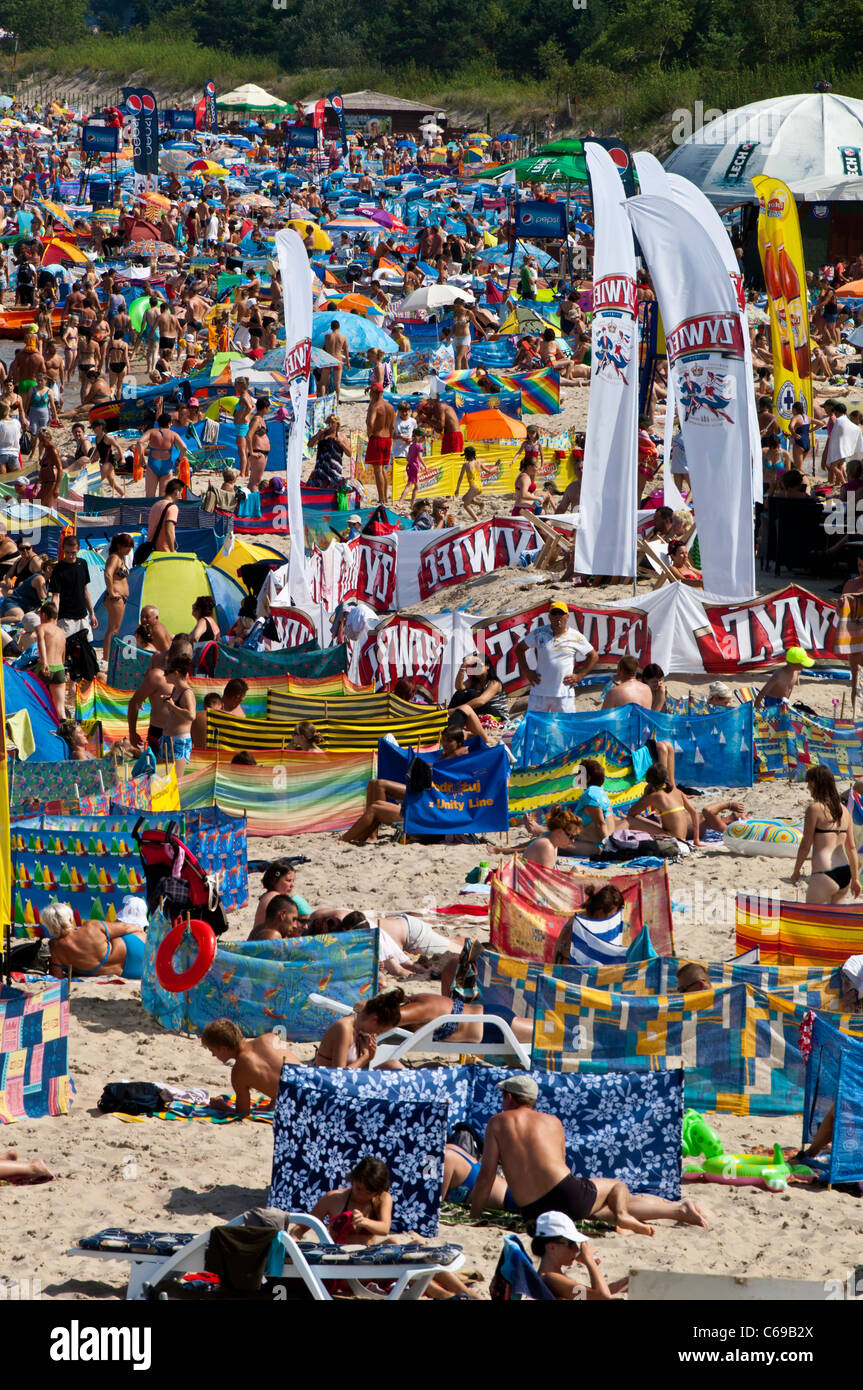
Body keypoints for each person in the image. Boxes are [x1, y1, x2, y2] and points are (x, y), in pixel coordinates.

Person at [470, 1075, 711, 1231]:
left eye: (503, 1097)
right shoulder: (553, 1121)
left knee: (603, 1209)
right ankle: (651, 1212)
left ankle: (671, 1211)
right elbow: (560, 1163)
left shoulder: (498, 1122)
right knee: (616, 1187)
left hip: (533, 1212)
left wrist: (475, 1215)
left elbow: (487, 1174)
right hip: (567, 1199)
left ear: (509, 1097)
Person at [201, 1018, 301, 1117]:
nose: (213, 1055)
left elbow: (242, 1113)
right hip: (314, 1079)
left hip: (304, 1102)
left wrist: (221, 1106)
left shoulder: (239, 1072)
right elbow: (281, 1069)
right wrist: (272, 1104)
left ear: (223, 1049)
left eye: (212, 1050)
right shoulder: (269, 1037)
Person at [791, 765, 861, 904]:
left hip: (824, 872)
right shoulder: (845, 812)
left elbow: (806, 844)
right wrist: (855, 879)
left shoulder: (815, 809)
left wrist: (796, 871)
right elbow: (852, 848)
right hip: (844, 874)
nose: (808, 788)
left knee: (812, 921)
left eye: (809, 783)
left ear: (817, 783)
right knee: (834, 922)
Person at [515, 602, 598, 713]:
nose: (557, 616)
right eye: (554, 613)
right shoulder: (539, 632)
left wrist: (580, 675)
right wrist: (526, 671)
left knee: (565, 727)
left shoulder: (576, 636)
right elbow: (519, 649)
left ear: (567, 617)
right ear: (549, 617)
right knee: (536, 727)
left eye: (561, 613)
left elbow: (593, 656)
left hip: (564, 693)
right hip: (540, 692)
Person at [42, 897, 148, 981]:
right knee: (137, 935)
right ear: (70, 919)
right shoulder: (91, 926)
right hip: (138, 954)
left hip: (130, 973)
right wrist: (142, 930)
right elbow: (128, 927)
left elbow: (56, 978)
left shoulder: (55, 948)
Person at [532, 1211, 627, 1300]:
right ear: (551, 1247)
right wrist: (589, 1261)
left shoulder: (550, 1277)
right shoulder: (550, 1278)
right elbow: (603, 1297)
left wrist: (616, 1287)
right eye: (571, 1244)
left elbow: (588, 1296)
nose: (576, 1249)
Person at [315, 987, 406, 1069]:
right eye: (380, 1030)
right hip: (331, 1084)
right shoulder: (344, 1028)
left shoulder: (359, 1028)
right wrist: (366, 1057)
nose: (378, 1033)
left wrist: (368, 1057)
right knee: (394, 1066)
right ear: (374, 1020)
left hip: (349, 1081)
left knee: (394, 1065)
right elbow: (339, 1075)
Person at [553, 884, 626, 966]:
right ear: (600, 911)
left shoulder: (591, 921)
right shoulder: (580, 925)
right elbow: (567, 958)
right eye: (612, 915)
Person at [151, 651, 196, 776]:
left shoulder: (187, 693)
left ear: (176, 673)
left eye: (167, 672)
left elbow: (192, 715)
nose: (164, 675)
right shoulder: (176, 689)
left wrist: (172, 706)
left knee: (176, 783)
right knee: (161, 780)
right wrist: (169, 701)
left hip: (179, 742)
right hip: (166, 739)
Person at [49, 533, 96, 638]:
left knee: (85, 647)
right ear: (63, 549)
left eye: (73, 553)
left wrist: (92, 613)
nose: (70, 556)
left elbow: (85, 590)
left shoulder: (83, 564)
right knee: (66, 647)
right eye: (67, 552)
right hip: (65, 617)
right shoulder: (58, 569)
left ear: (79, 549)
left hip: (82, 615)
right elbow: (56, 596)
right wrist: (54, 618)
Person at [518, 804, 584, 869]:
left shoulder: (551, 841)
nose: (573, 840)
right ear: (559, 832)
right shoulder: (546, 846)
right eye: (571, 836)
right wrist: (571, 875)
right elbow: (546, 878)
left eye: (576, 837)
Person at [101, 533, 133, 665]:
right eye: (127, 547)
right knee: (113, 629)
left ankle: (108, 656)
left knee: (114, 628)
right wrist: (112, 592)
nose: (129, 550)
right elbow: (108, 573)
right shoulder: (114, 558)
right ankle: (107, 658)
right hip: (115, 597)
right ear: (119, 546)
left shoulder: (121, 558)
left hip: (120, 597)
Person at [449, 653, 508, 722]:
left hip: (498, 716)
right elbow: (459, 687)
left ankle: (451, 713)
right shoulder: (473, 681)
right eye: (474, 666)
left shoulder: (494, 683)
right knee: (459, 694)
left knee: (472, 694)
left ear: (487, 666)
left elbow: (481, 701)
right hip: (481, 712)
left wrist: (457, 709)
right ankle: (448, 718)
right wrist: (464, 665)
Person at [254, 859, 311, 928]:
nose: (292, 885)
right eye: (288, 880)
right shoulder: (275, 899)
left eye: (293, 881)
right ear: (274, 880)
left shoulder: (267, 895)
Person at [141, 412, 187, 498]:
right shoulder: (173, 434)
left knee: (149, 497)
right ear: (169, 423)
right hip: (166, 466)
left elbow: (139, 442)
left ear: (158, 423)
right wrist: (178, 460)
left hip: (153, 464)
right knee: (164, 498)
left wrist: (141, 458)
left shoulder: (152, 432)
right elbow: (184, 448)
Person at [35, 602, 66, 718]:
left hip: (46, 667)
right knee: (60, 708)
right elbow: (63, 653)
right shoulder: (61, 632)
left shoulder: (41, 628)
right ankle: (65, 734)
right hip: (59, 669)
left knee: (36, 701)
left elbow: (41, 642)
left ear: (43, 615)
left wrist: (45, 663)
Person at [365, 384, 395, 505]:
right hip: (388, 439)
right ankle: (385, 497)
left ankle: (381, 498)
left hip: (377, 438)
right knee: (383, 469)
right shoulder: (390, 407)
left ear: (375, 392)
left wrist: (369, 434)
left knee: (378, 470)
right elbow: (392, 427)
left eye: (371, 392)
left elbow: (370, 423)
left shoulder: (375, 406)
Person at [144, 478, 184, 556]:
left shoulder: (156, 505)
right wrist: (172, 551)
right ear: (176, 491)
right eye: (181, 493)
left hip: (151, 550)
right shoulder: (172, 507)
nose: (181, 496)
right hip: (163, 551)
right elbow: (169, 530)